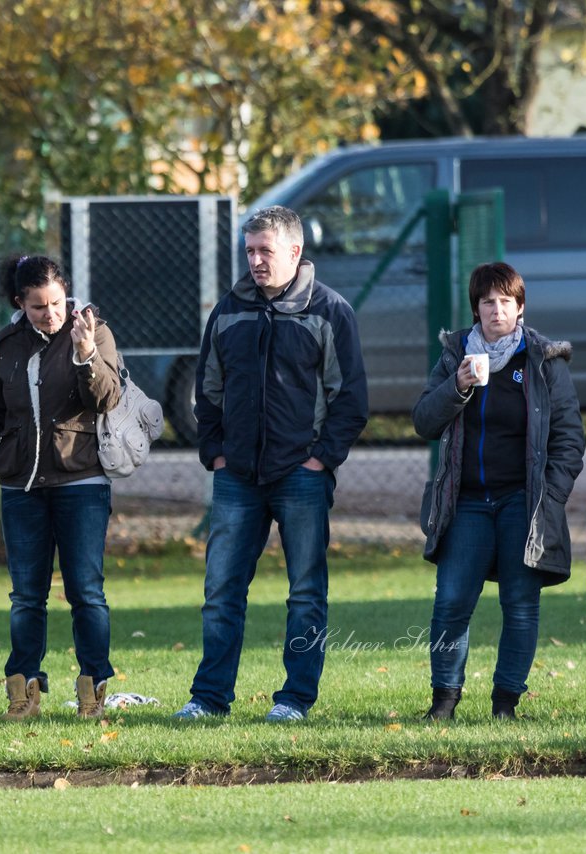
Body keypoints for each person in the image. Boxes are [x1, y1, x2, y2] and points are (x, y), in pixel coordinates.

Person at [174, 205, 368, 722]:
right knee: (220, 593)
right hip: (236, 475)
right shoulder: (228, 310)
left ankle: (295, 699)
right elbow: (207, 390)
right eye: (250, 251)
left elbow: (349, 399)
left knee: (305, 593)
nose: (256, 261)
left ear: (295, 251)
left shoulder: (330, 311)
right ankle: (209, 699)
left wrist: (321, 459)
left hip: (300, 476)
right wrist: (214, 452)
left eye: (266, 251)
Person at [0, 255, 122, 720]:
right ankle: (23, 690)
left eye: (57, 302)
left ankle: (93, 689)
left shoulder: (93, 330)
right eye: (38, 307)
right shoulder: (6, 344)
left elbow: (107, 398)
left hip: (80, 480)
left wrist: (86, 355)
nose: (51, 314)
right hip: (21, 485)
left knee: (85, 590)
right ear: (19, 304)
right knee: (26, 595)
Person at [415, 262, 584, 721]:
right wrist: (458, 386)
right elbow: (424, 421)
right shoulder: (455, 356)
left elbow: (569, 440)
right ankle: (443, 701)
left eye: (505, 301)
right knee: (451, 600)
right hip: (467, 501)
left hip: (523, 503)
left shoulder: (544, 360)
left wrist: (549, 497)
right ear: (476, 309)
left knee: (520, 604)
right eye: (487, 302)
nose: (496, 310)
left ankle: (505, 704)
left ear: (520, 307)